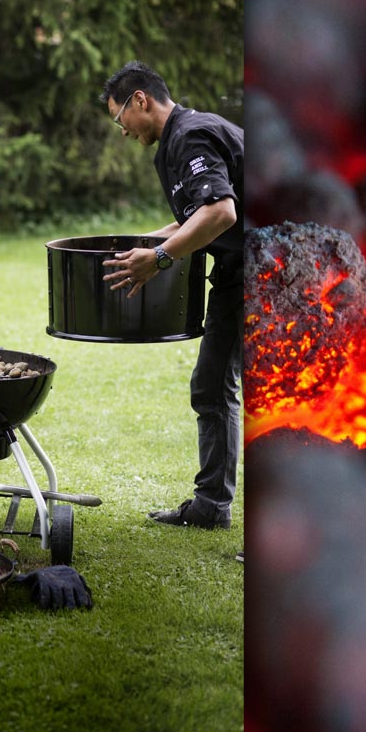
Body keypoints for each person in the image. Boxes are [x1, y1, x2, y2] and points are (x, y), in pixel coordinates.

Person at [100, 61, 243, 531]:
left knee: (228, 388)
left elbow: (221, 212)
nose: (121, 131)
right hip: (237, 271)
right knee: (211, 383)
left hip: (269, 269)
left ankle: (222, 512)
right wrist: (146, 241)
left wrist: (158, 258)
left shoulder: (191, 135)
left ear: (140, 100)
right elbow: (194, 218)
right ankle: (211, 506)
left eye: (120, 119)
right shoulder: (178, 141)